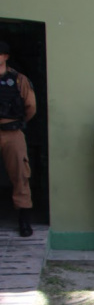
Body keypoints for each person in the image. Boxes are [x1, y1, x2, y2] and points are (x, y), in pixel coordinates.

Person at [0, 40, 37, 237]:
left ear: (5, 56)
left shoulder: (18, 80)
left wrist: (14, 122)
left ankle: (24, 221)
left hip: (12, 131)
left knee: (21, 175)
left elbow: (30, 107)